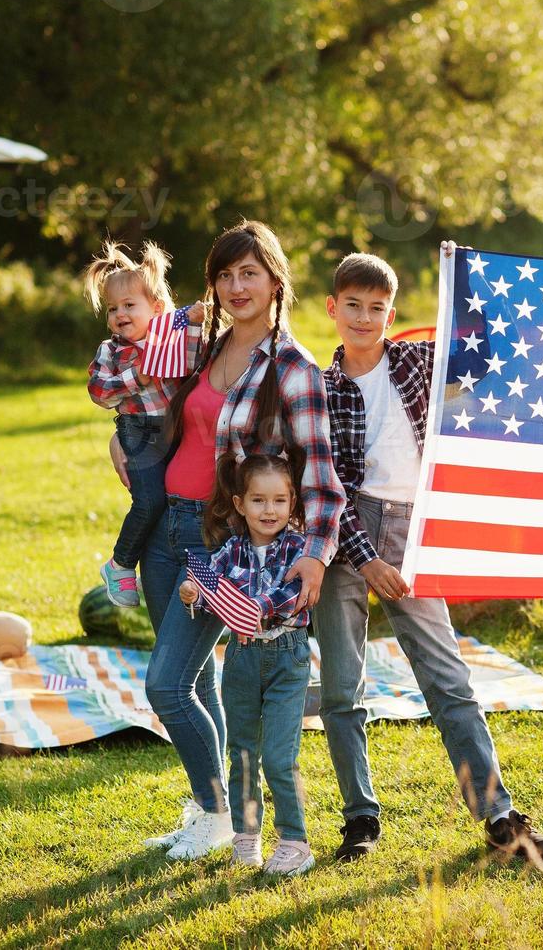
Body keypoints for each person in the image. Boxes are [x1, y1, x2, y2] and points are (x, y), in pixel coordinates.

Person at [315, 246, 543, 866]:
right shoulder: (319, 389)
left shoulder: (418, 363)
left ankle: (499, 815)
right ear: (331, 309)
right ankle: (360, 817)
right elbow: (325, 488)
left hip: (411, 530)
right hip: (344, 534)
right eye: (353, 306)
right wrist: (365, 558)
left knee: (447, 678)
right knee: (344, 686)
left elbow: (488, 355)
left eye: (377, 308)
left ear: (392, 315)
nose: (364, 318)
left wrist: (467, 275)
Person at [131, 220, 345, 860]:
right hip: (164, 527)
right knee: (192, 683)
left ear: (276, 278)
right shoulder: (206, 346)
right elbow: (161, 407)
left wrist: (314, 553)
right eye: (224, 275)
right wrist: (127, 439)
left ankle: (219, 813)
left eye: (248, 272)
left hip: (216, 541)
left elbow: (323, 475)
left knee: (165, 686)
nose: (235, 286)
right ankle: (213, 810)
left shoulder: (293, 371)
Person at [180, 454, 316, 876]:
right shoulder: (230, 550)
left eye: (279, 500)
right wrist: (192, 592)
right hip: (240, 657)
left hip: (287, 655)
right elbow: (207, 585)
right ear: (240, 504)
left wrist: (257, 608)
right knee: (241, 753)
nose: (269, 510)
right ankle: (246, 836)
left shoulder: (299, 548)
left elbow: (294, 593)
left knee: (278, 755)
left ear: (293, 502)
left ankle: (294, 841)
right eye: (259, 500)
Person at [83, 240, 204, 607]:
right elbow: (99, 392)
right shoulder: (111, 351)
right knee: (148, 500)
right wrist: (137, 377)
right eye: (113, 308)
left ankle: (176, 576)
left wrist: (195, 324)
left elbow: (193, 364)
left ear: (156, 308)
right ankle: (120, 564)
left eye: (129, 306)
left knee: (171, 501)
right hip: (138, 432)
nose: (120, 314)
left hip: (174, 432)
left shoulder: (169, 340)